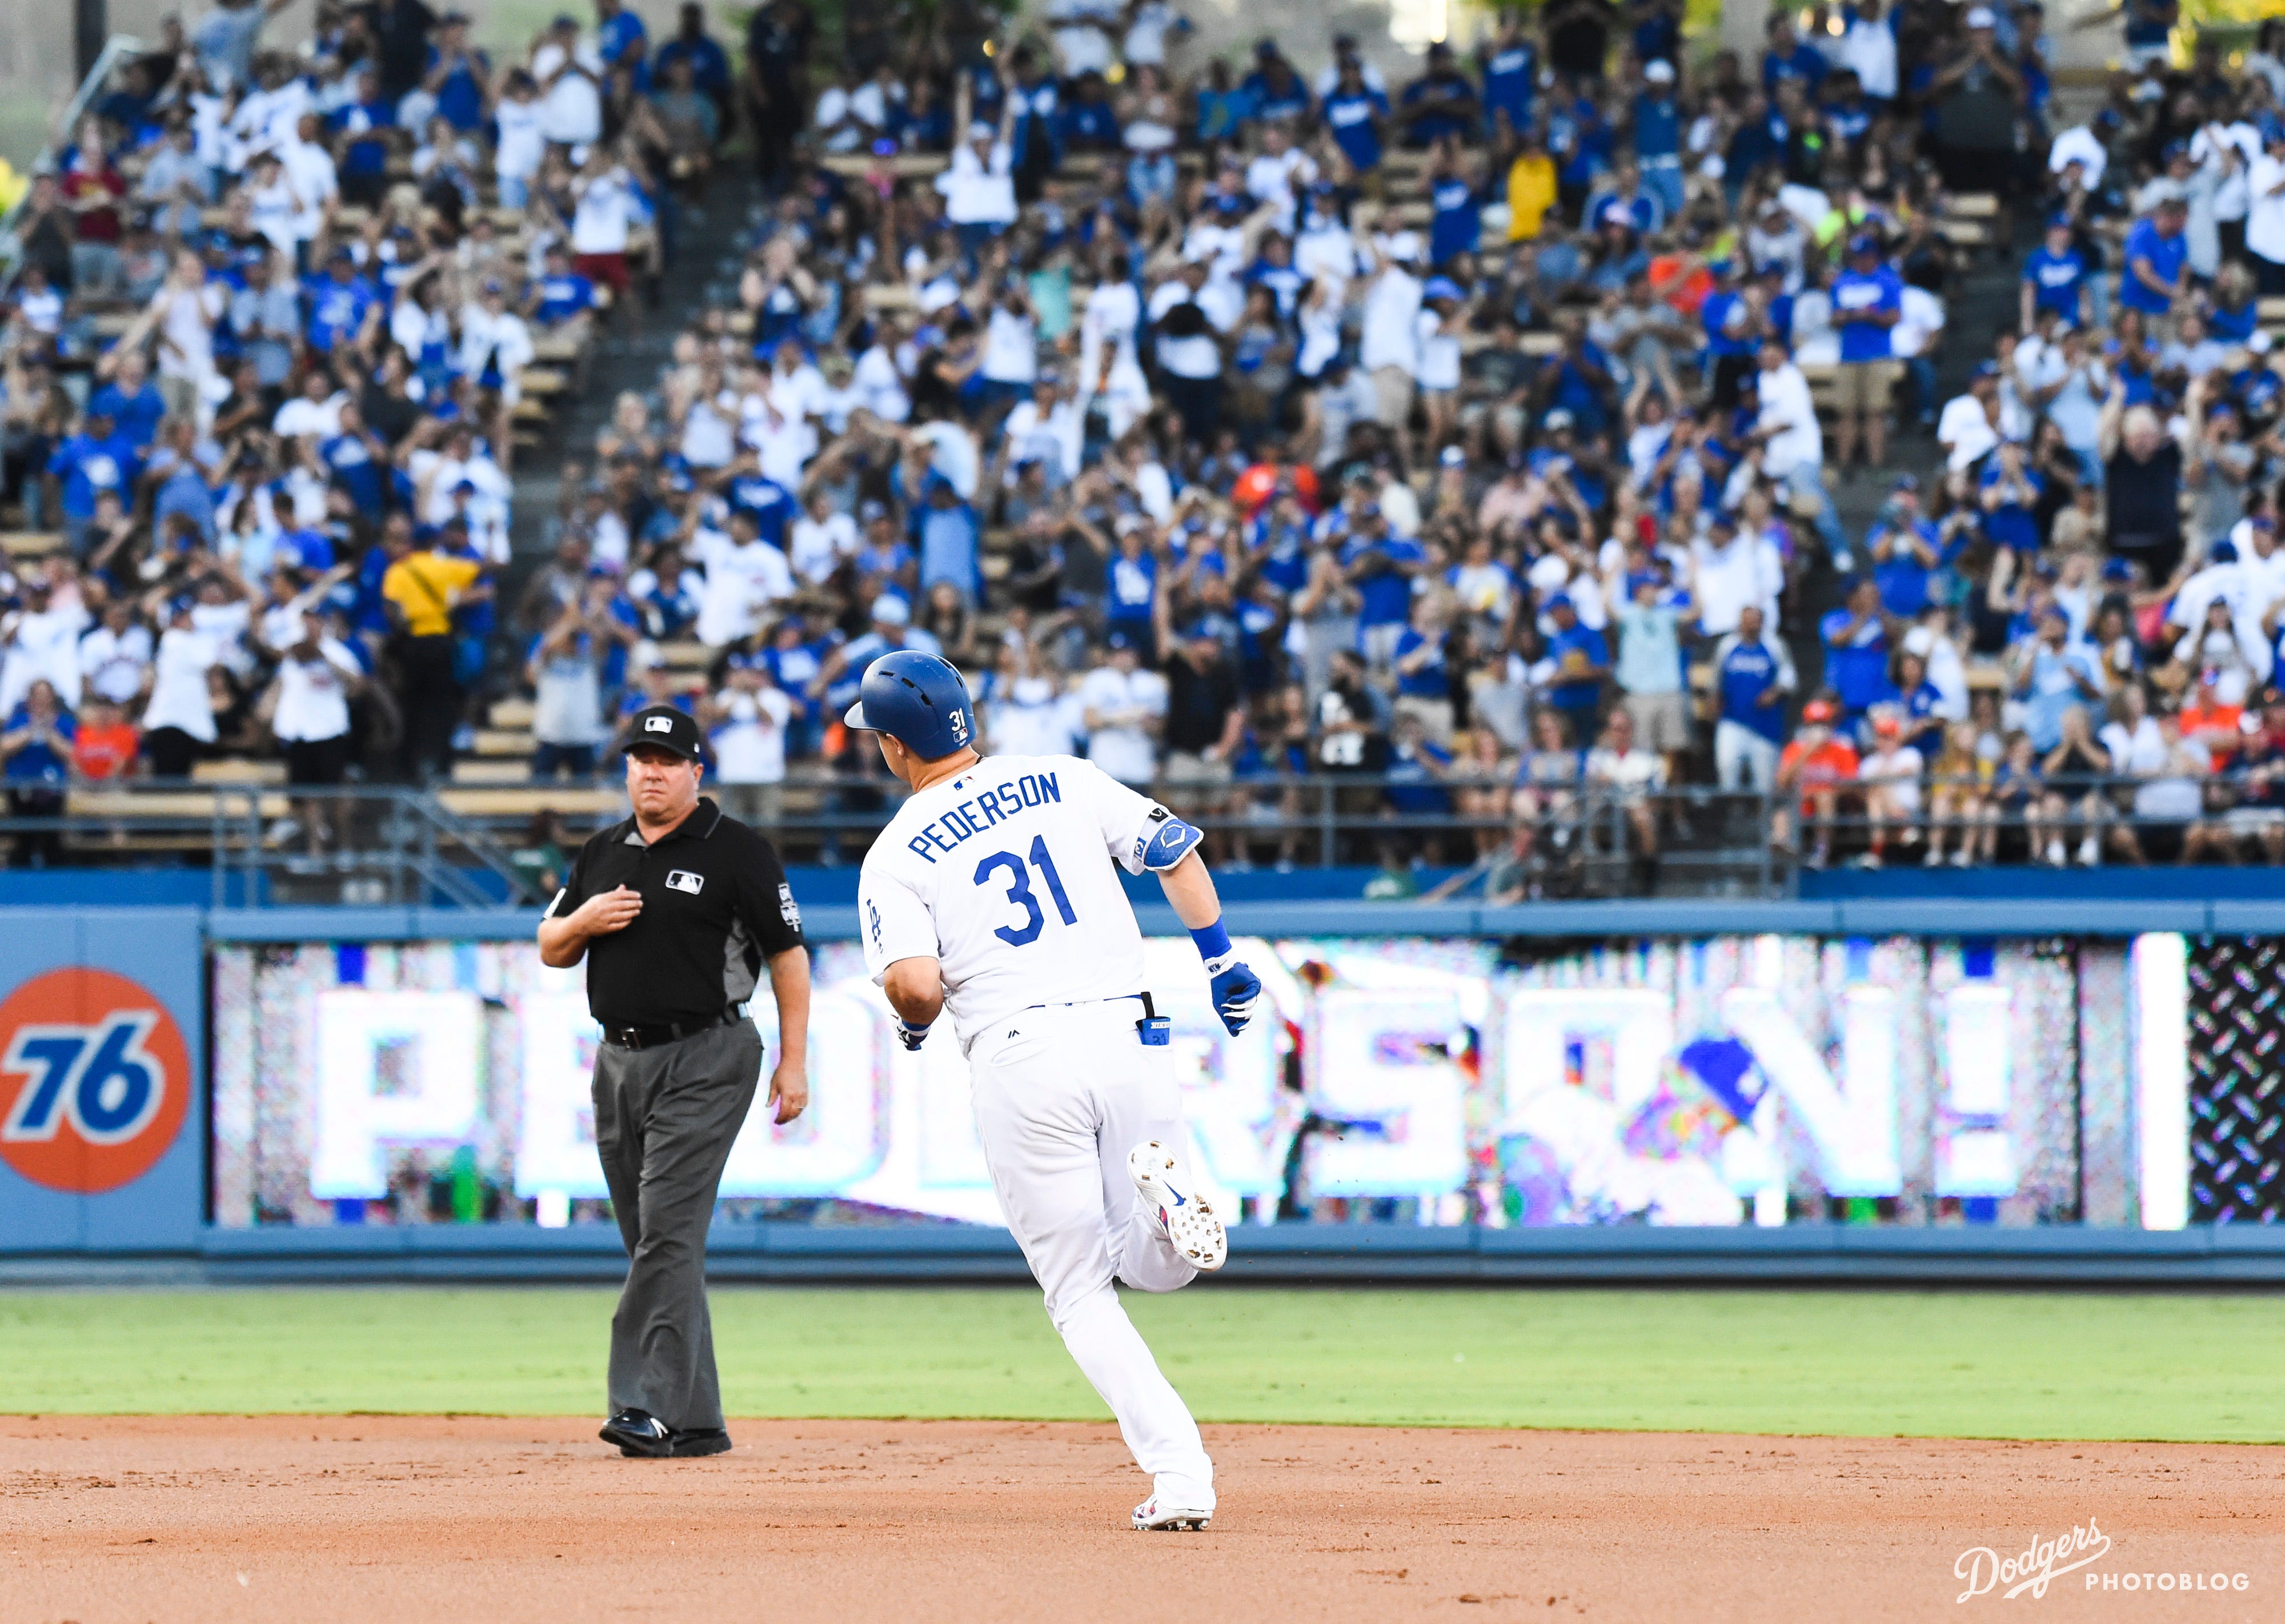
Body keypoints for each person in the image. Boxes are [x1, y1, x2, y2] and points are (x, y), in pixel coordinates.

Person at [844, 649, 1260, 1533]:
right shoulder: (1061, 776)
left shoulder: (893, 856)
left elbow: (916, 986)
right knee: (1157, 1267)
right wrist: (1221, 958)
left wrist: (917, 1018)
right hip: (1129, 1031)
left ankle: (1183, 1477)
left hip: (1022, 1052)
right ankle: (1169, 1203)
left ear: (894, 746)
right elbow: (1175, 850)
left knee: (1078, 1289)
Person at [537, 705, 812, 1461]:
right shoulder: (601, 851)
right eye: (640, 759)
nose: (651, 772)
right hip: (618, 1060)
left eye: (667, 759)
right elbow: (550, 946)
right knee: (655, 1241)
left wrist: (794, 1061)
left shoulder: (737, 850)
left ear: (697, 770)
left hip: (708, 1055)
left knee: (663, 1231)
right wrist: (584, 919)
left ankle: (643, 1404)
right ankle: (695, 1421)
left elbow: (788, 956)